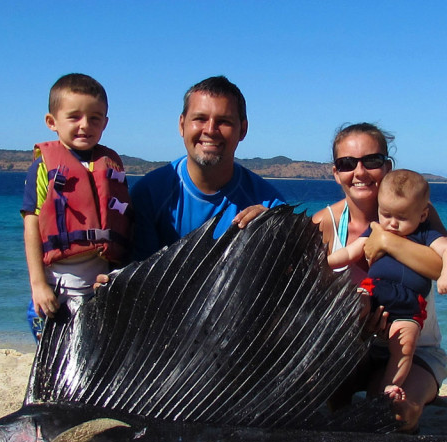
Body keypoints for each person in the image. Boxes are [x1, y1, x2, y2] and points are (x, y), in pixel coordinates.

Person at [311, 123, 447, 432]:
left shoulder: (418, 211)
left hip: (415, 348)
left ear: (387, 166)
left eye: (371, 161)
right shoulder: (325, 223)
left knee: (393, 416)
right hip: (352, 350)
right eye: (347, 164)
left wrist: (387, 241)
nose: (360, 172)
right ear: (335, 172)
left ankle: (409, 406)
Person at [326, 169, 447, 413]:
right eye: (386, 214)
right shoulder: (377, 229)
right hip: (374, 291)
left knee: (405, 343)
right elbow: (350, 252)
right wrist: (326, 262)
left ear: (422, 215)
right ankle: (340, 383)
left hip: (408, 305)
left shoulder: (425, 234)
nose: (393, 223)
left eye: (402, 217)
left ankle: (391, 386)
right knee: (355, 302)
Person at [20, 73, 131, 341]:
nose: (85, 125)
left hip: (100, 286)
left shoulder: (110, 164)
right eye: (74, 117)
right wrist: (38, 285)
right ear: (52, 122)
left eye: (95, 118)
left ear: (105, 122)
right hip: (58, 288)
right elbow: (32, 226)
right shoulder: (44, 166)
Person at [128, 75, 285, 262]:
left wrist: (277, 233)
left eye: (224, 121)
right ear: (182, 125)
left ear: (242, 130)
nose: (210, 130)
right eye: (200, 118)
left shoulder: (270, 207)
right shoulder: (148, 195)